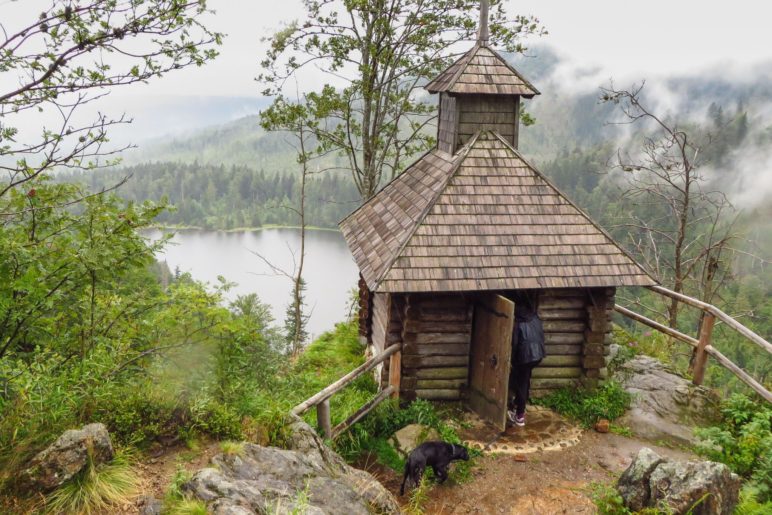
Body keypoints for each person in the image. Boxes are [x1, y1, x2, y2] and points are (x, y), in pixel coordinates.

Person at [508, 300, 545, 427]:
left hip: (526, 357)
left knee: (521, 384)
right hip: (538, 355)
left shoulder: (519, 324)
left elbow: (515, 344)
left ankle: (519, 416)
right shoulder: (535, 318)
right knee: (525, 379)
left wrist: (511, 361)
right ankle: (518, 404)